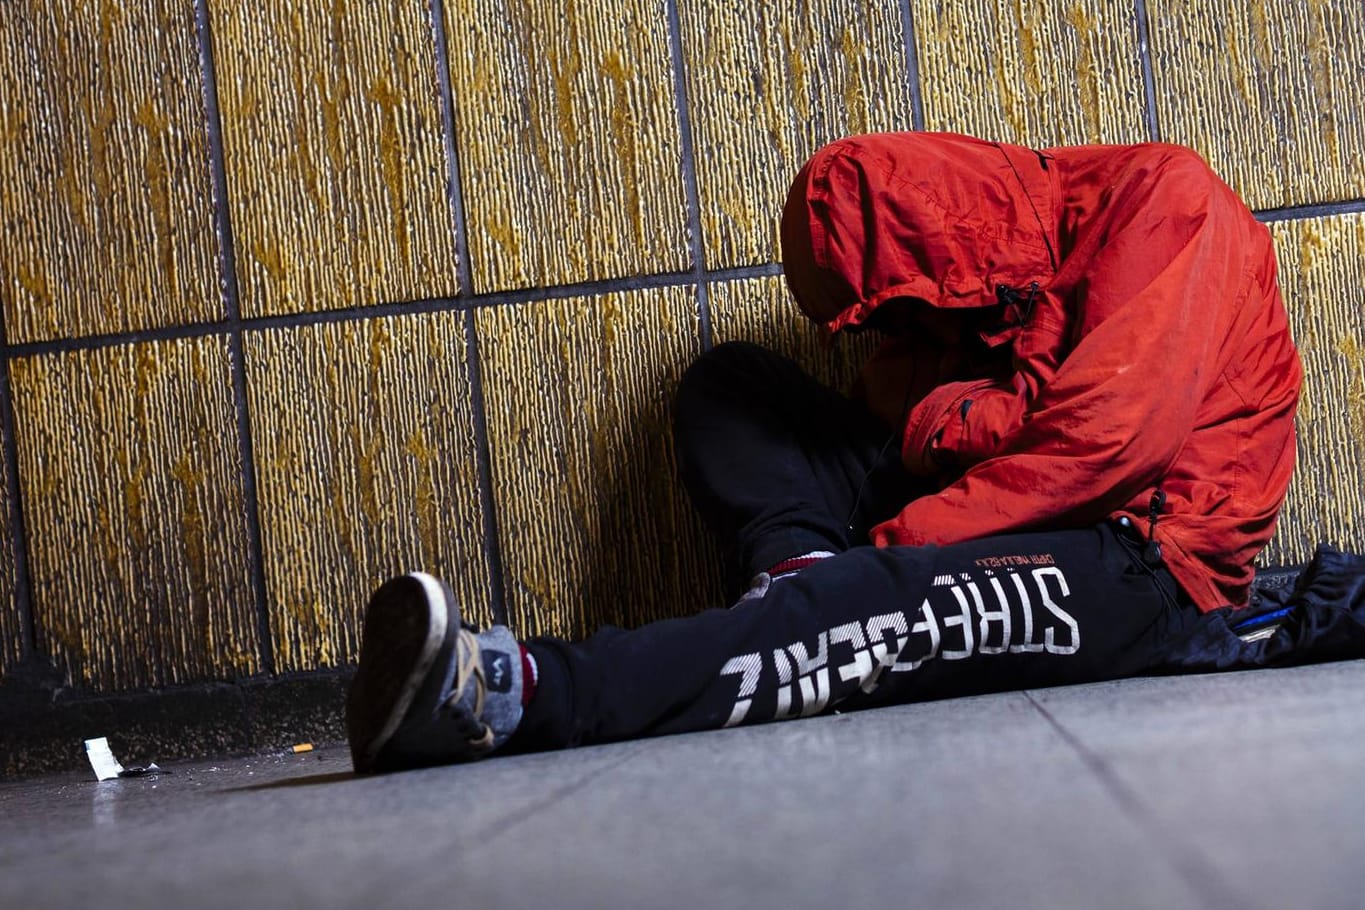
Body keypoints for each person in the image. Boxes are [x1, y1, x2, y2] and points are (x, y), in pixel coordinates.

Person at [344, 132, 1302, 774]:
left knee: (868, 599)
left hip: (1137, 558)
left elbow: (1098, 449)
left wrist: (898, 530)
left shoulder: (1167, 202)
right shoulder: (981, 285)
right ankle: (800, 578)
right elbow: (950, 415)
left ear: (943, 254)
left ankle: (502, 694)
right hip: (1011, 501)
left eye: (888, 313)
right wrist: (928, 411)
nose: (885, 335)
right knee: (733, 386)